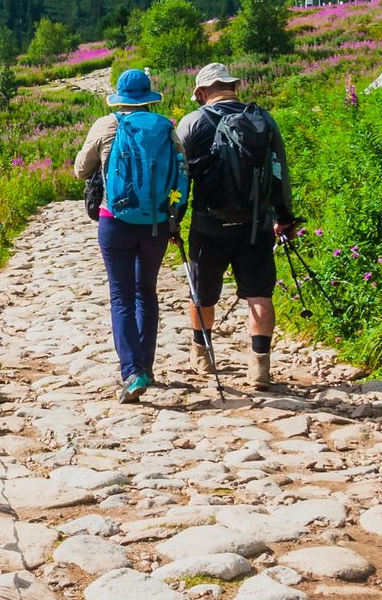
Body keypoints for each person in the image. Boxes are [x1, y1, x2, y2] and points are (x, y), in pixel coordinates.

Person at [175, 62, 296, 388]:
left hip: (208, 225)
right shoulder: (263, 120)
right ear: (234, 86)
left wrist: (174, 218)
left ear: (201, 93)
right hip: (256, 225)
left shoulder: (192, 122)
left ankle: (201, 353)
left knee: (202, 293)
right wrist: (284, 217)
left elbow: (180, 177)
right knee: (259, 293)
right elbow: (278, 173)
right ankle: (260, 366)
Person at [73, 67, 187, 403]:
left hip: (115, 220)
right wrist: (173, 218)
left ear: (120, 98)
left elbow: (81, 169)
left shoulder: (107, 125)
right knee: (146, 292)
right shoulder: (168, 127)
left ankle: (131, 372)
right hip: (154, 224)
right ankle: (146, 367)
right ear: (149, 96)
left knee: (121, 295)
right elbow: (182, 173)